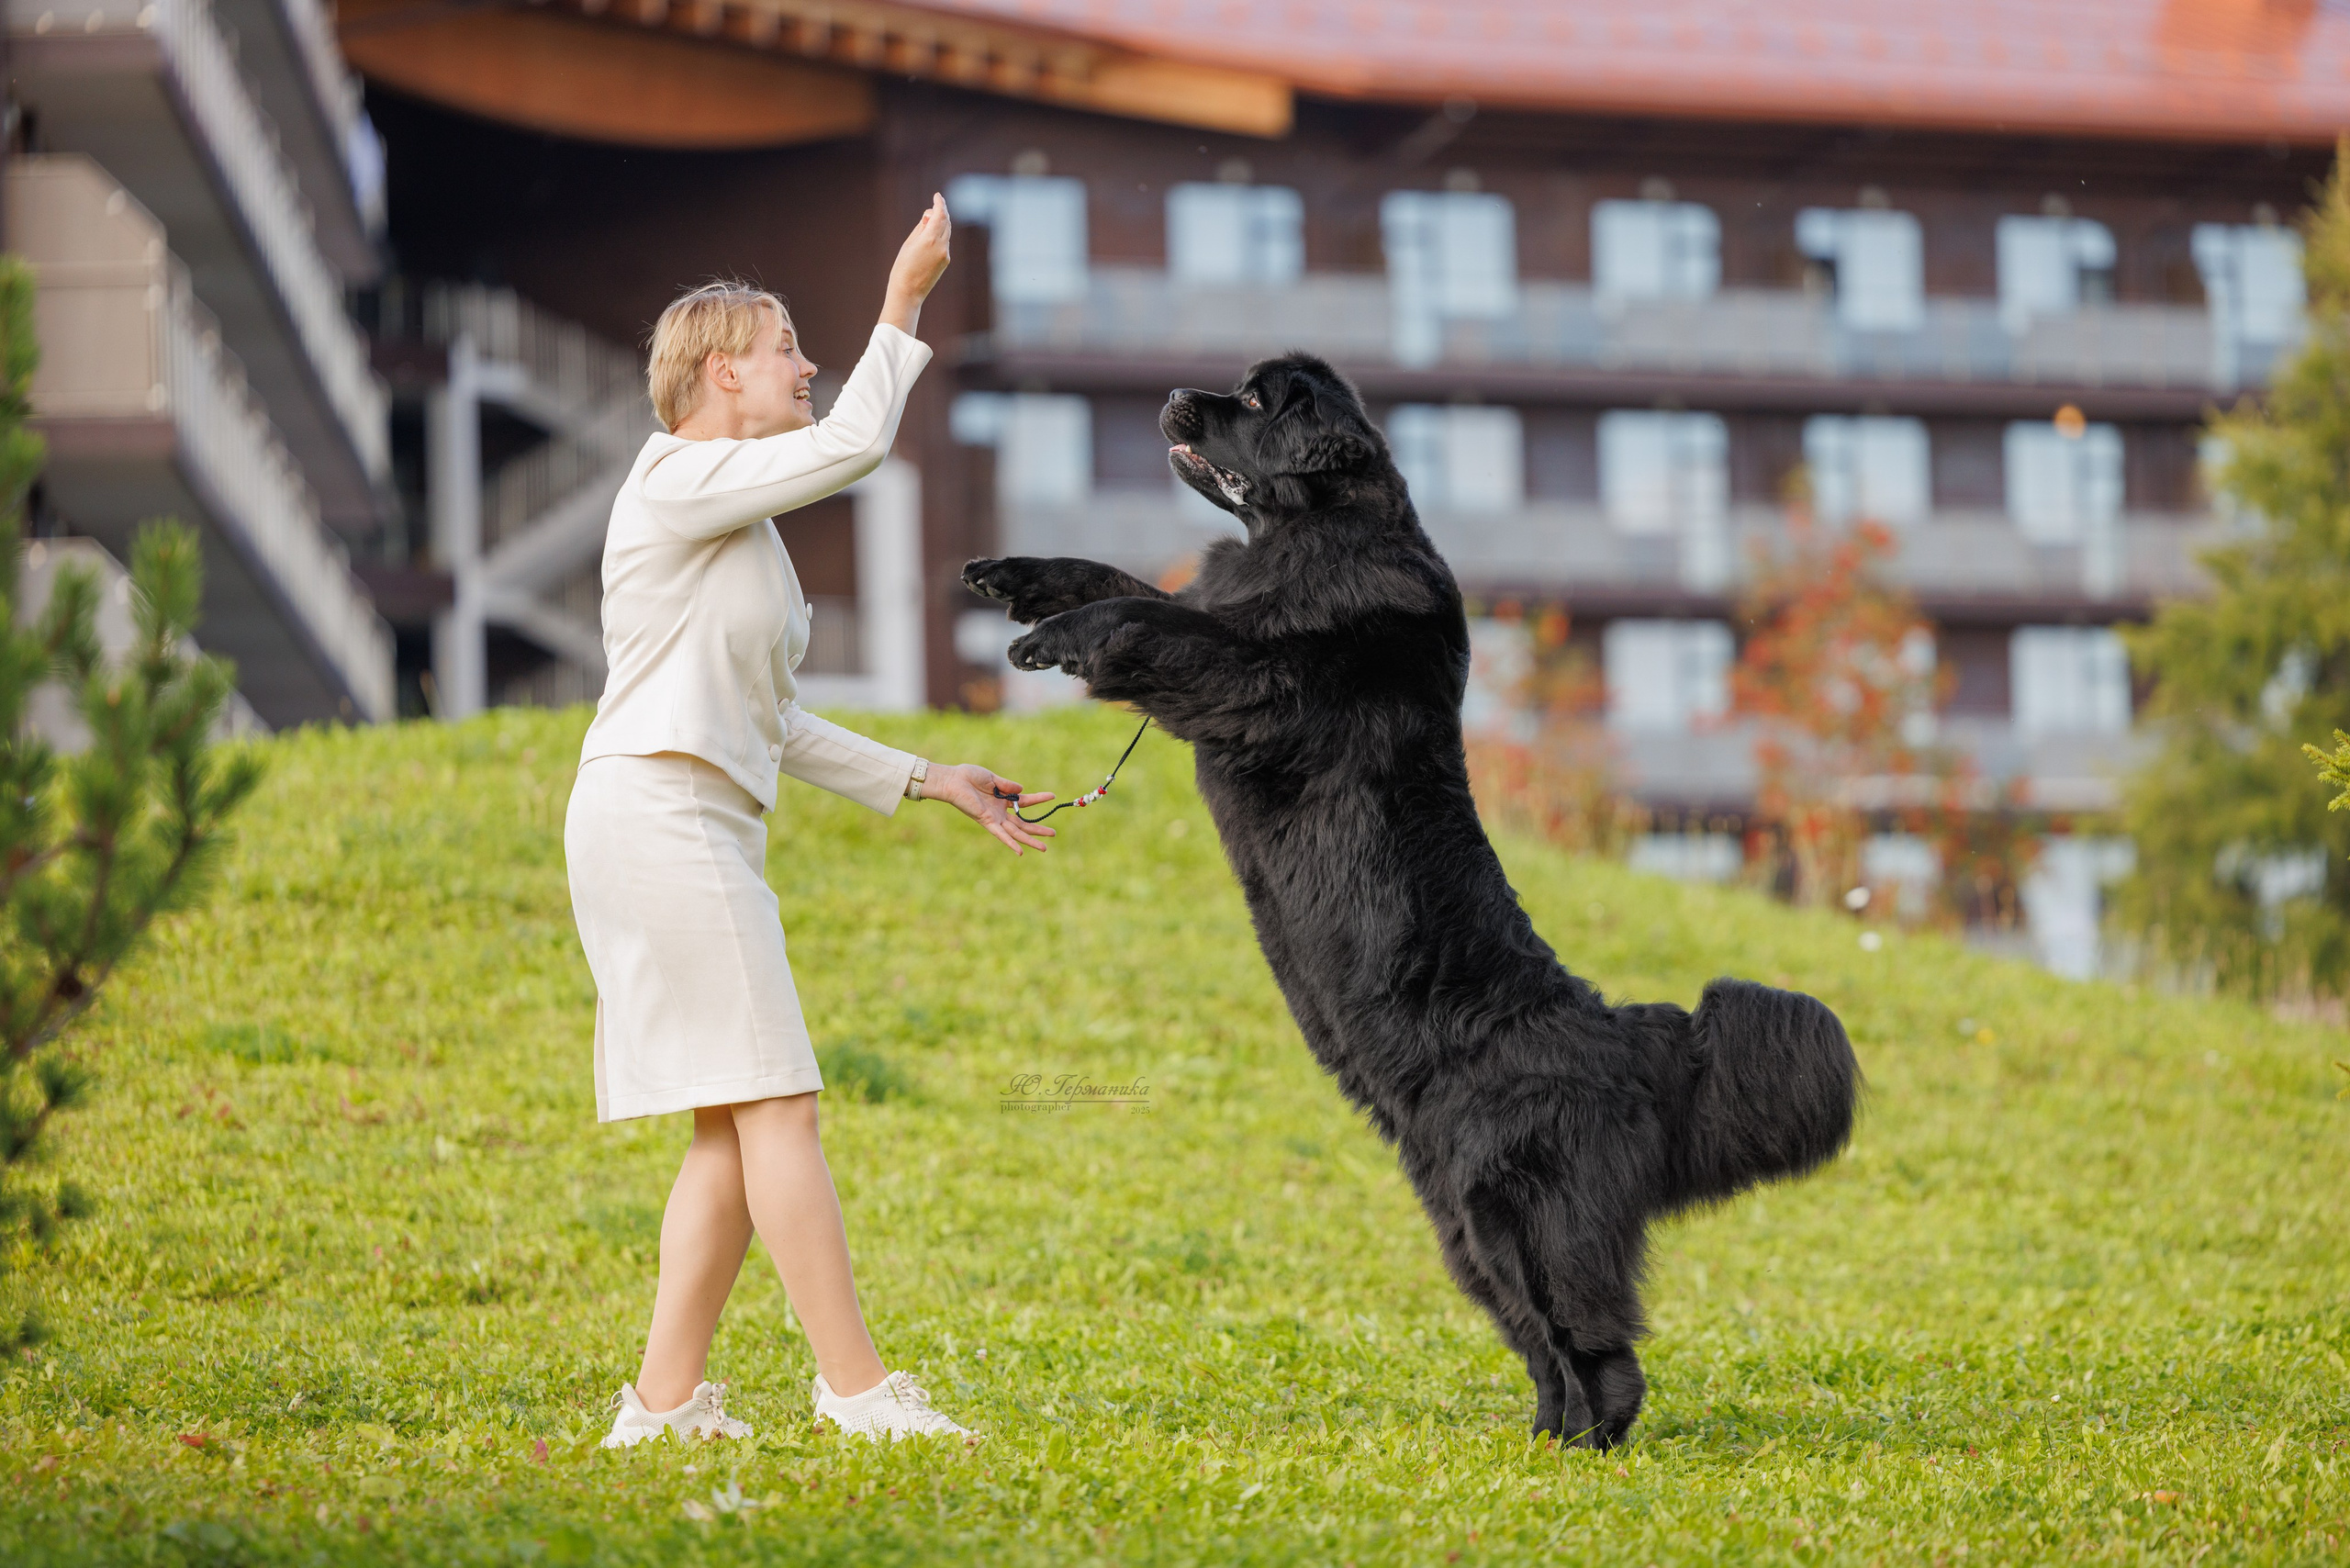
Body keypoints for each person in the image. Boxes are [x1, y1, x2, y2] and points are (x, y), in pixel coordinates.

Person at [564, 195, 1050, 1449]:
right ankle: (855, 1390)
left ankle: (662, 1409)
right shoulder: (677, 477)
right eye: (788, 350)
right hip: (659, 807)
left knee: (733, 1123)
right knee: (779, 1103)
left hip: (694, 812)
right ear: (723, 371)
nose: (807, 366)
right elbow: (854, 448)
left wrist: (928, 776)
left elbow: (773, 720)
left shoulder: (736, 521)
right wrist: (903, 301)